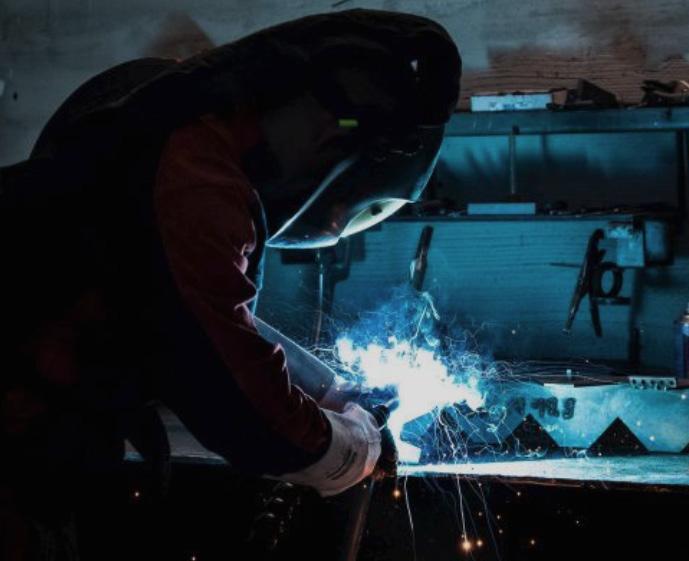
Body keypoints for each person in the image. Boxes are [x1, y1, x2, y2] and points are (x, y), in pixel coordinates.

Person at [0, 8, 460, 558]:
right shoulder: (199, 178)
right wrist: (358, 446)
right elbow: (242, 407)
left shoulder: (176, 133)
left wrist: (332, 392)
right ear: (330, 138)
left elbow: (194, 310)